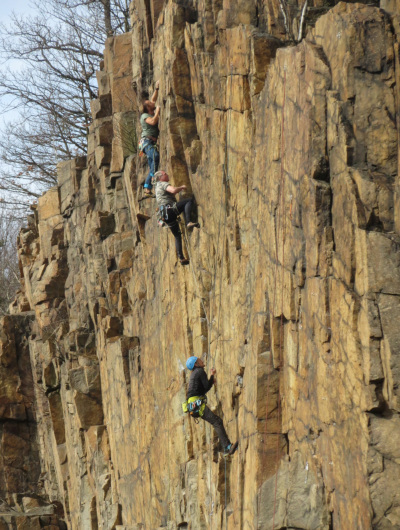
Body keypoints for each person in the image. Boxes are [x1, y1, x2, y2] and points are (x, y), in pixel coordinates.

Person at [185, 356, 238, 456]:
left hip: (193, 406)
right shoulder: (200, 371)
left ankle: (227, 447)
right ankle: (227, 447)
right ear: (196, 364)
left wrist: (211, 378)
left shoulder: (194, 374)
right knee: (217, 422)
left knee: (216, 421)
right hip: (196, 404)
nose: (201, 360)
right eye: (199, 360)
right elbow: (206, 386)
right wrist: (212, 376)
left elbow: (204, 389)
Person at [153, 170, 199, 265]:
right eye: (165, 174)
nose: (167, 174)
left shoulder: (157, 187)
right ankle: (188, 222)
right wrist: (181, 187)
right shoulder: (162, 184)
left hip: (165, 215)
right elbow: (173, 190)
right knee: (188, 201)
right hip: (169, 210)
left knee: (177, 236)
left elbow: (170, 194)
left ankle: (181, 258)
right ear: (160, 177)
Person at [140, 81, 160, 195]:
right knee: (155, 157)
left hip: (150, 143)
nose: (152, 102)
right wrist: (157, 112)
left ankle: (147, 187)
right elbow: (152, 122)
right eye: (149, 103)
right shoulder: (145, 116)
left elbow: (153, 99)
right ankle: (150, 182)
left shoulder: (149, 110)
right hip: (146, 142)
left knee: (153, 163)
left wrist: (156, 89)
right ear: (148, 108)